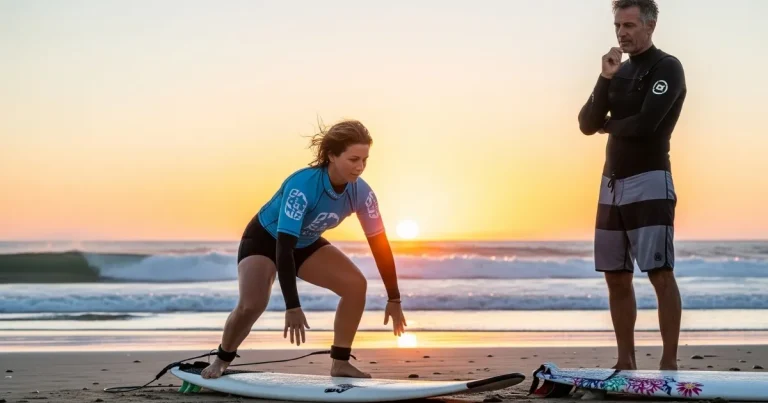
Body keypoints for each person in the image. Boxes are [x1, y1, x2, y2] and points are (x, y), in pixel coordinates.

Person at [201, 119, 407, 379]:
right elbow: (284, 247)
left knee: (356, 285)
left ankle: (340, 362)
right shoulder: (303, 186)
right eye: (353, 159)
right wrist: (293, 306)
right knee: (252, 304)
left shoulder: (362, 194)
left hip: (305, 242)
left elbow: (380, 246)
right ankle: (222, 359)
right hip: (266, 240)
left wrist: (394, 298)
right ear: (332, 155)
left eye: (365, 160)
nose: (360, 167)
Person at [578, 0, 686, 370]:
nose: (622, 33)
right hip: (610, 184)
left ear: (650, 26)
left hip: (650, 180)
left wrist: (610, 125)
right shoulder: (617, 73)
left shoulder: (666, 67)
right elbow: (586, 122)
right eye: (617, 27)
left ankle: (669, 363)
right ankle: (626, 362)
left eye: (629, 25)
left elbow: (647, 125)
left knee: (659, 272)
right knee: (616, 277)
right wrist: (604, 78)